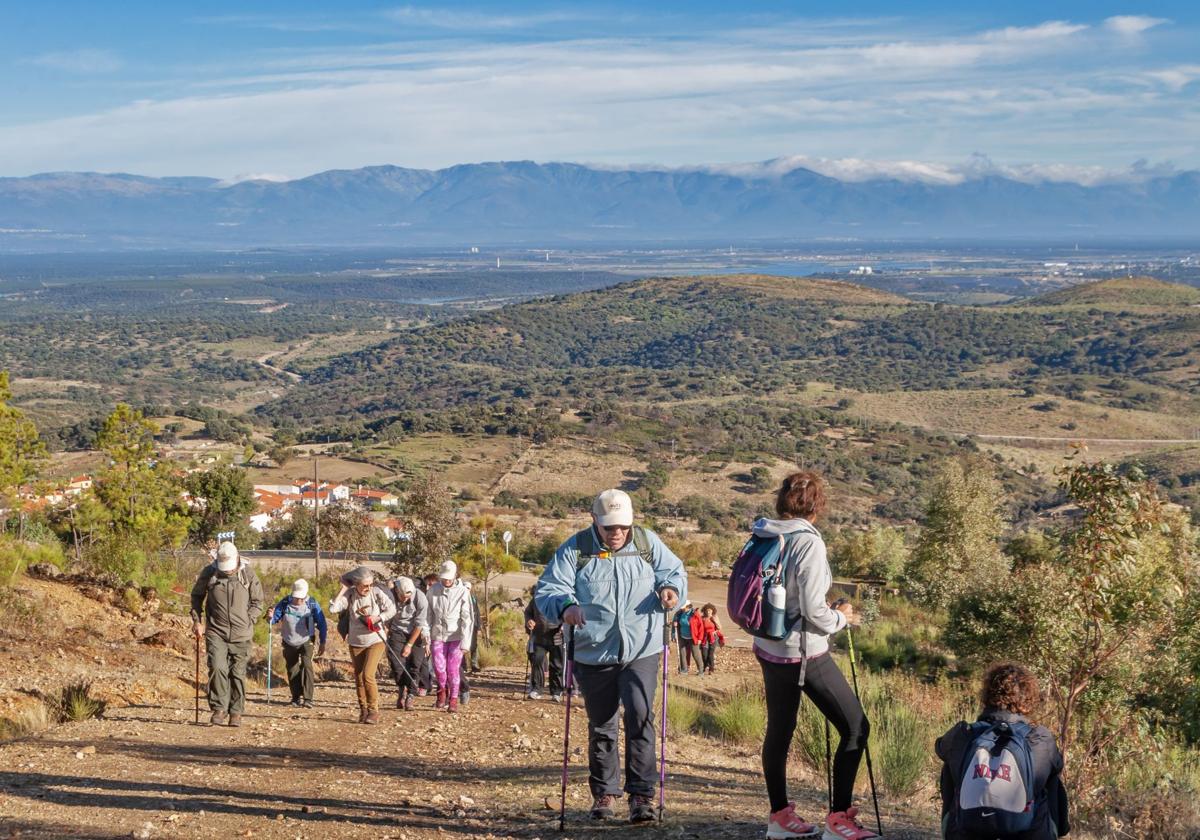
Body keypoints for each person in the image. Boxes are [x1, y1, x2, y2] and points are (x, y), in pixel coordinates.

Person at [536, 488, 687, 823]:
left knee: (640, 715)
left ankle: (642, 797)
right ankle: (605, 794)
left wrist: (671, 591)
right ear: (595, 521)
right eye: (609, 527)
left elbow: (675, 573)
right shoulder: (576, 548)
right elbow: (549, 589)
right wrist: (566, 606)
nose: (617, 533)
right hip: (594, 653)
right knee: (602, 724)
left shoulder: (648, 543)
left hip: (641, 650)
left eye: (622, 526)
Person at [753, 472, 879, 840]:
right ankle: (839, 819)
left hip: (769, 647)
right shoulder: (808, 542)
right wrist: (841, 618)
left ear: (781, 500)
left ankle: (779, 818)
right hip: (803, 652)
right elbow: (811, 609)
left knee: (779, 730)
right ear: (817, 505)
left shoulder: (765, 533)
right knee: (856, 727)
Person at [936, 663, 1069, 840]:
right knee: (1051, 777)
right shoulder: (1040, 739)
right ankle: (1055, 832)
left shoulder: (963, 735)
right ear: (1028, 698)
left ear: (987, 696)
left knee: (952, 766)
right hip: (1030, 834)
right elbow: (1058, 764)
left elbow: (939, 748)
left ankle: (954, 828)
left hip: (964, 832)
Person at [190, 541, 264, 727]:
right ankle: (219, 708)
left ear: (237, 559)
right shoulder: (209, 573)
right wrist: (197, 622)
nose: (228, 571)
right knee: (217, 668)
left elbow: (258, 602)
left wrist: (249, 619)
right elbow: (196, 597)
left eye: (230, 568)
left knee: (237, 673)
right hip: (216, 631)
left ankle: (236, 712)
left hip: (242, 634)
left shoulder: (248, 574)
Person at [329, 566, 396, 724]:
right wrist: (343, 589)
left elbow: (392, 610)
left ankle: (374, 711)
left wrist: (378, 618)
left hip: (376, 639)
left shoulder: (377, 592)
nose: (368, 588)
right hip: (356, 641)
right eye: (365, 585)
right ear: (357, 584)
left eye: (370, 584)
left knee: (368, 675)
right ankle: (363, 710)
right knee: (358, 677)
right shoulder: (350, 595)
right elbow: (333, 608)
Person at [267, 578, 327, 708]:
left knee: (306, 666)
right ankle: (295, 698)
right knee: (292, 668)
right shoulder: (284, 603)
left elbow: (322, 624)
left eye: (301, 598)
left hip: (307, 640)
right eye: (296, 597)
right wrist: (270, 617)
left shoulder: (312, 604)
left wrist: (323, 642)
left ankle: (308, 699)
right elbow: (273, 620)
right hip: (289, 641)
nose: (298, 600)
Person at [428, 560, 473, 713]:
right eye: (444, 578)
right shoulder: (433, 590)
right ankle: (441, 692)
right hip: (437, 634)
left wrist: (466, 642)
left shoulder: (462, 592)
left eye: (449, 578)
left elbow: (467, 618)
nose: (446, 581)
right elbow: (428, 615)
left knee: (453, 669)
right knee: (439, 668)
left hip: (456, 636)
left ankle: (453, 699)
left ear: (455, 576)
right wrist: (426, 636)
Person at [385, 576, 428, 711]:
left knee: (415, 665)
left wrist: (409, 645)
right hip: (397, 631)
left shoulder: (420, 599)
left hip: (416, 633)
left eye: (407, 597)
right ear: (397, 590)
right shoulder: (390, 595)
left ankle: (410, 695)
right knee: (397, 664)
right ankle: (402, 688)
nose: (404, 599)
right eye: (402, 596)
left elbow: (420, 624)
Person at [524, 587, 565, 700]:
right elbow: (528, 612)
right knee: (537, 663)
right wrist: (529, 621)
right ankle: (536, 690)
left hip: (556, 636)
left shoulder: (561, 597)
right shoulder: (537, 599)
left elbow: (568, 611)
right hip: (539, 636)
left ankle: (556, 692)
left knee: (556, 665)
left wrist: (564, 625)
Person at [671, 602, 703, 675]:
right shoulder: (679, 613)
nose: (682, 609)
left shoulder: (695, 614)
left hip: (693, 637)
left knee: (696, 654)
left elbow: (701, 627)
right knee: (682, 653)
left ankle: (701, 670)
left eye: (683, 608)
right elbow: (674, 624)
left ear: (688, 607)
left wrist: (700, 638)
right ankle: (684, 669)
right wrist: (673, 634)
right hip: (682, 636)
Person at [698, 603, 724, 675]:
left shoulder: (714, 617)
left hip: (713, 637)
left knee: (710, 654)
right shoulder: (702, 618)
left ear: (713, 611)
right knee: (704, 654)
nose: (708, 612)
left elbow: (719, 627)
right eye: (707, 610)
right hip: (704, 638)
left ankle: (711, 669)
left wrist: (715, 631)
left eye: (710, 610)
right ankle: (705, 666)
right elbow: (699, 628)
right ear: (705, 611)